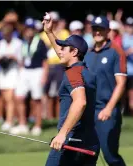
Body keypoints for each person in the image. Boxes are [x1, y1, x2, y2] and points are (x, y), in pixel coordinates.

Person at [43, 13, 100, 166]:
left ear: (74, 52)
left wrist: (62, 134)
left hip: (71, 143)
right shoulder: (86, 71)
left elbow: (80, 102)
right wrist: (49, 32)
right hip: (90, 142)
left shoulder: (73, 73)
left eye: (63, 48)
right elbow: (64, 57)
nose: (59, 51)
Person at [83, 16, 127, 166]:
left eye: (101, 29)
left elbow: (121, 84)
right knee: (87, 155)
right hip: (88, 111)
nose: (97, 32)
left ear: (108, 31)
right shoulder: (87, 53)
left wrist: (108, 108)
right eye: (95, 29)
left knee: (109, 155)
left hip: (106, 110)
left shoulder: (115, 52)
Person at [10, 18, 48, 136]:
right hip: (25, 71)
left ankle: (37, 125)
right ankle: (23, 124)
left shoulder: (40, 42)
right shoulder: (24, 42)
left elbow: (45, 61)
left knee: (37, 99)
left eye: (31, 29)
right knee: (19, 97)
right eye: (27, 29)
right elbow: (23, 58)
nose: (29, 31)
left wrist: (44, 76)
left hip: (37, 71)